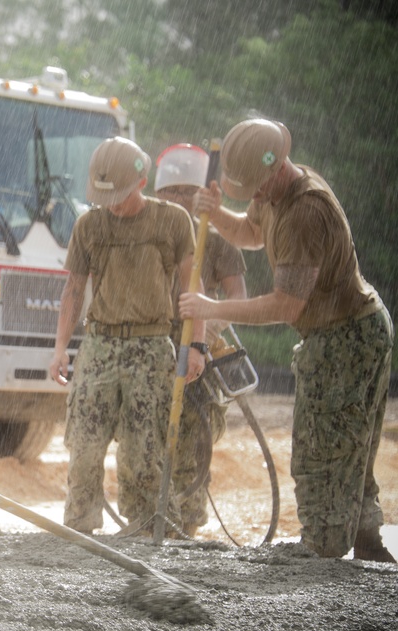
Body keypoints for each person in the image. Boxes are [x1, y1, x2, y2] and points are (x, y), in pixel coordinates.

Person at [180, 118, 394, 562]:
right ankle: (367, 539)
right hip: (340, 331)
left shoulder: (305, 211)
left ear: (277, 165)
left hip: (347, 337)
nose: (254, 196)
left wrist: (211, 307)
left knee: (323, 449)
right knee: (348, 444)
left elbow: (284, 306)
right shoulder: (273, 193)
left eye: (257, 187)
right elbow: (253, 232)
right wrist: (217, 213)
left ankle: (323, 547)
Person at [48, 136, 206, 537]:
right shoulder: (90, 225)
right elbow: (73, 290)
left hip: (151, 347)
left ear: (141, 180)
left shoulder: (172, 221)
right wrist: (60, 349)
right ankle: (80, 527)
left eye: (119, 195)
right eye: (106, 197)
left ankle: (151, 527)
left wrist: (197, 346)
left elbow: (192, 289)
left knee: (143, 452)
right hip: (99, 345)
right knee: (83, 445)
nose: (113, 205)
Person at [154, 143, 249, 538]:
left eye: (184, 192)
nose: (176, 200)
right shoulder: (151, 228)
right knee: (150, 442)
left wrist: (204, 336)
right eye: (168, 193)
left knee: (192, 445)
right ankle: (152, 522)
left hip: (197, 355)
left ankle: (186, 530)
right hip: (155, 347)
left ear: (199, 194)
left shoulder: (217, 235)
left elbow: (238, 298)